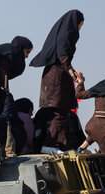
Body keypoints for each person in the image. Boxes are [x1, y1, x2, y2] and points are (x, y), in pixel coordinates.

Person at [29, 10, 84, 150]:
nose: (80, 28)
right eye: (80, 25)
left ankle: (65, 147)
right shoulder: (66, 35)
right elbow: (63, 57)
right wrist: (75, 76)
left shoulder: (61, 35)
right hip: (57, 79)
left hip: (55, 76)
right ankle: (48, 145)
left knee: (64, 114)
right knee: (60, 114)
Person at [75, 73, 105, 154]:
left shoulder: (102, 86)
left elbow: (79, 94)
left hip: (93, 125)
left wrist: (80, 82)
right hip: (102, 130)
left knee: (94, 134)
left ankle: (81, 148)